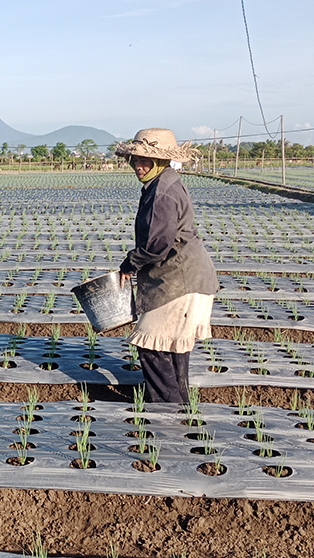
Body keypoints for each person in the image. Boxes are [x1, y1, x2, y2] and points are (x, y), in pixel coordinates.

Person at [115, 128, 218, 404]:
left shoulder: (162, 192)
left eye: (146, 159)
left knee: (152, 345)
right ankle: (180, 411)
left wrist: (130, 263)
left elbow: (157, 244)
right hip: (186, 277)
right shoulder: (164, 182)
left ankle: (165, 417)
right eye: (136, 159)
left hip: (179, 280)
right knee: (172, 346)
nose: (139, 165)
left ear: (161, 161)